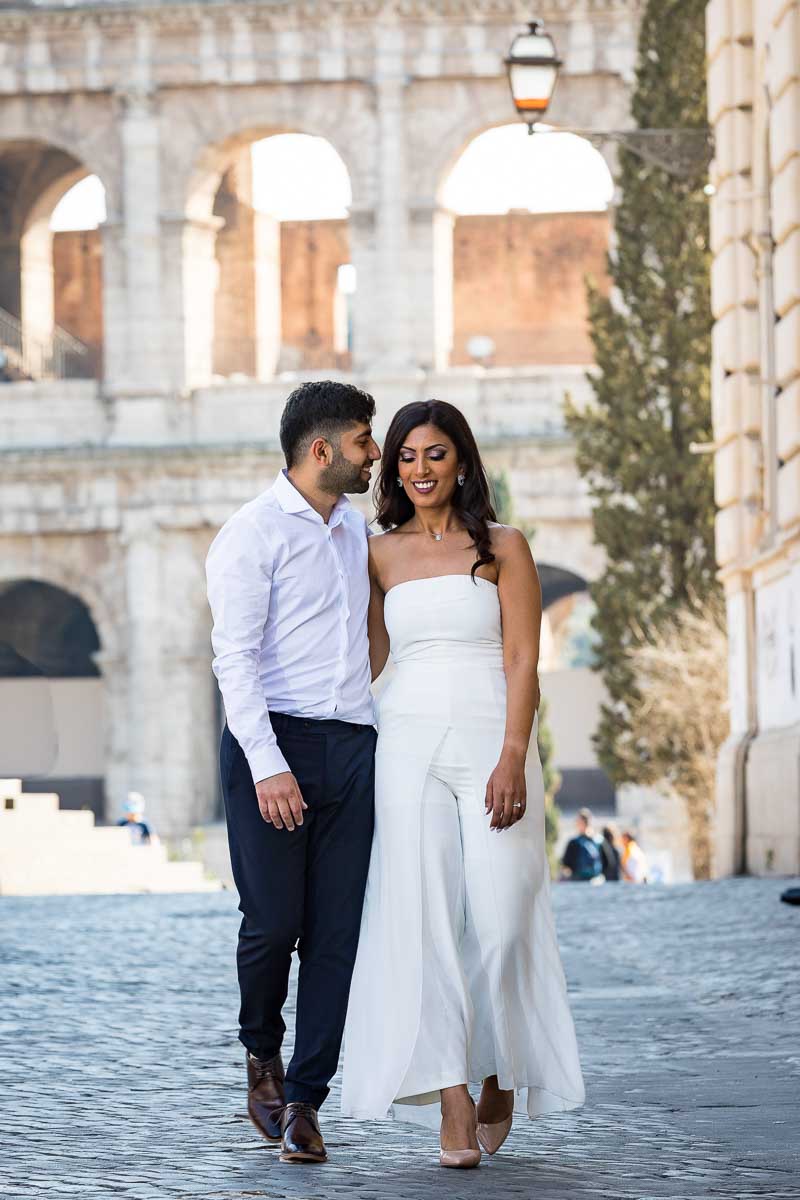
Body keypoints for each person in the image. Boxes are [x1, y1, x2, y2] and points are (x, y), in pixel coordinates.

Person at [341, 399, 584, 1168]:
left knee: (506, 917)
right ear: (391, 468)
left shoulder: (505, 546)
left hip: (491, 740)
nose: (419, 469)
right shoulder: (377, 554)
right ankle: (451, 1095)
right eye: (406, 456)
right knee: (425, 921)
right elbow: (370, 664)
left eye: (435, 454)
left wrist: (514, 753)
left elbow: (522, 660)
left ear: (463, 461)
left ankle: (496, 1062)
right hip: (406, 742)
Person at [206, 380, 381, 1165]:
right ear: (322, 451)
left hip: (351, 748)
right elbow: (233, 662)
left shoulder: (356, 531)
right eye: (364, 441)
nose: (373, 453)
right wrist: (270, 765)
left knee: (337, 936)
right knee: (273, 923)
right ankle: (261, 1053)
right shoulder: (250, 535)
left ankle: (308, 1100)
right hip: (268, 746)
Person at [561, 808, 603, 882]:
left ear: (581, 823)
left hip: (578, 881)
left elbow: (566, 865)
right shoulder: (599, 840)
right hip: (596, 881)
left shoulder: (574, 842)